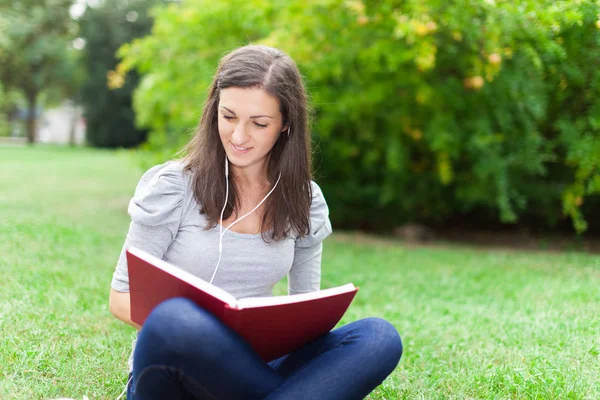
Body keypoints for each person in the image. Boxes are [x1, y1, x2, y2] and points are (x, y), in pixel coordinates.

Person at [109, 45, 402, 400]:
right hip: (176, 366)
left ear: (285, 124)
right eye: (228, 116)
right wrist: (214, 335)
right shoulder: (173, 187)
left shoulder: (304, 200)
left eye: (259, 123)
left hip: (256, 369)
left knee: (378, 337)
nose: (238, 136)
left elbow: (305, 315)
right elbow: (121, 298)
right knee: (174, 319)